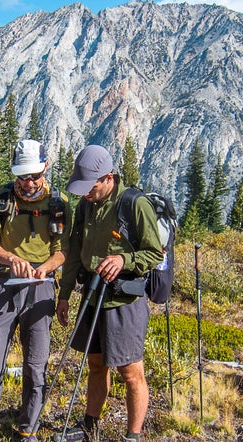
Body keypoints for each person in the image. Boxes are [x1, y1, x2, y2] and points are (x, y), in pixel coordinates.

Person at [55, 145, 165, 442]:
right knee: (95, 363)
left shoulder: (134, 204)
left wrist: (124, 260)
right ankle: (89, 425)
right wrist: (64, 294)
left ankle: (133, 436)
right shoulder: (85, 206)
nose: (84, 193)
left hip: (123, 299)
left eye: (88, 187)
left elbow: (155, 253)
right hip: (91, 294)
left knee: (130, 372)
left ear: (107, 178)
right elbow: (75, 252)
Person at [0, 139, 71, 442]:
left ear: (45, 167)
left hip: (41, 286)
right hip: (3, 281)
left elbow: (62, 249)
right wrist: (12, 259)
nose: (28, 183)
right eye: (22, 176)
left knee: (36, 363)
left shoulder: (59, 203)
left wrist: (46, 268)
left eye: (33, 176)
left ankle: (28, 428)